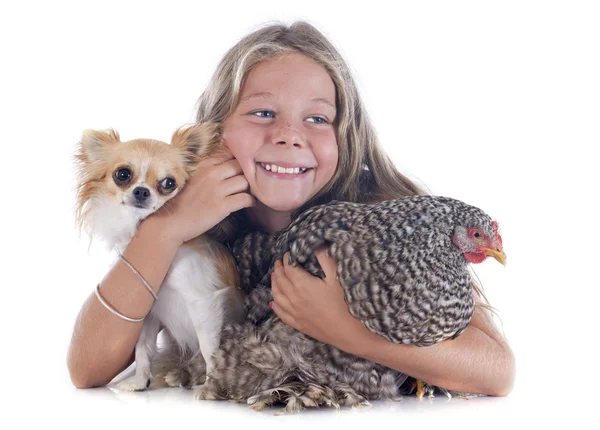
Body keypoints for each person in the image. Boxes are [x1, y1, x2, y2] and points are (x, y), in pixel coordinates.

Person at [67, 21, 515, 396]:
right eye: (262, 113)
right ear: (216, 133)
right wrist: (166, 227)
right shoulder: (186, 213)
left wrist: (345, 331)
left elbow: (497, 370)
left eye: (317, 119)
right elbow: (87, 371)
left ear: (347, 138)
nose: (288, 135)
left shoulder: (379, 218)